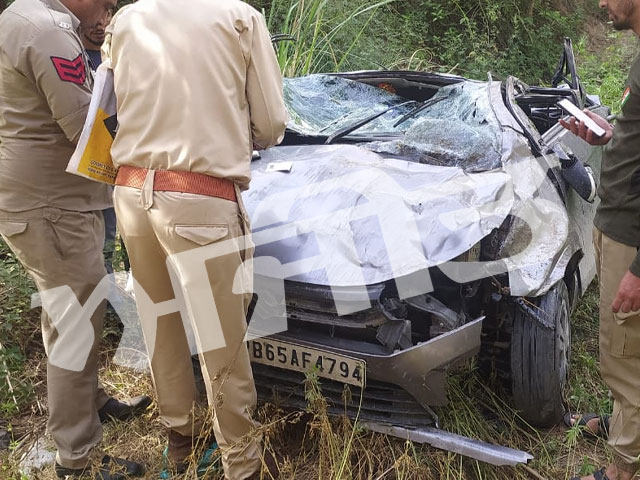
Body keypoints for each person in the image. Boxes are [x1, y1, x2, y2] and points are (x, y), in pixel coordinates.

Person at [103, 1, 288, 479]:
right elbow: (270, 124)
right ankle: (241, 464)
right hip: (199, 195)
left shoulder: (127, 19)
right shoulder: (239, 18)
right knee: (221, 339)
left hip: (131, 190)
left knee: (159, 321)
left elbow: (108, 104)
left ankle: (180, 444)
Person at [0, 0, 151, 478]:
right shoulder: (46, 30)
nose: (109, 9)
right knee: (76, 326)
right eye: (104, 2)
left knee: (67, 314)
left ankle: (90, 402)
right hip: (54, 207)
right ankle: (77, 457)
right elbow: (85, 127)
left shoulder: (21, 17)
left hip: (44, 202)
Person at [560, 1, 640, 479]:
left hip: (632, 238)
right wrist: (611, 135)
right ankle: (622, 422)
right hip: (616, 223)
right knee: (623, 345)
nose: (601, 4)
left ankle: (621, 469)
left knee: (623, 355)